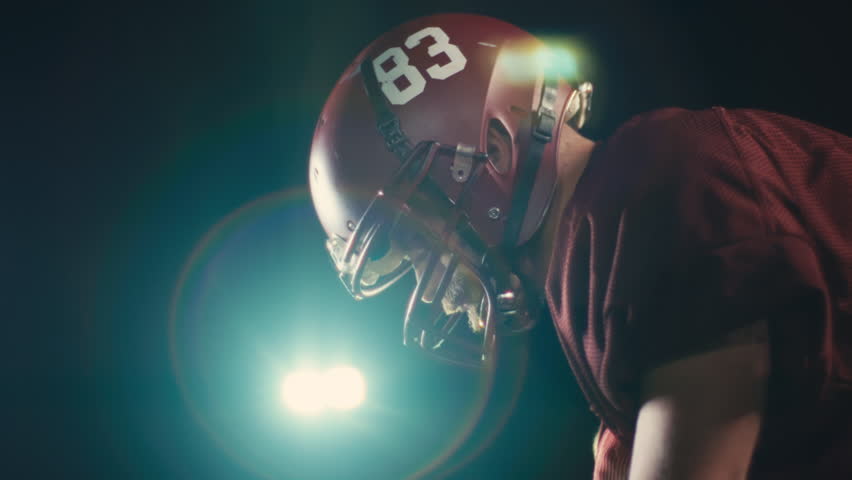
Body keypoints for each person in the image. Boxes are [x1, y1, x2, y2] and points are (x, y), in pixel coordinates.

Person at [307, 13, 852, 479]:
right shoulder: (601, 270)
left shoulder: (653, 185)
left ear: (493, 151)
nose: (431, 287)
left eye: (413, 237)